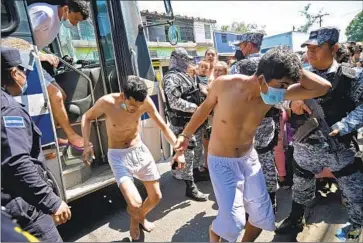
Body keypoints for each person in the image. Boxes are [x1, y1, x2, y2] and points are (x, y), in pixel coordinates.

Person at [174, 46, 332, 242]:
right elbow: (204, 109)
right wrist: (185, 135)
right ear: (261, 78)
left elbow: (323, 87)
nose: (285, 90)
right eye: (282, 84)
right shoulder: (224, 85)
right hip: (222, 161)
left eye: (287, 85)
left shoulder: (273, 94)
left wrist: (292, 66)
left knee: (262, 216)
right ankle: (215, 235)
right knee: (232, 221)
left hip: (249, 159)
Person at [276, 27, 363, 241]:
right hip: (305, 145)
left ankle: (356, 225)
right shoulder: (300, 75)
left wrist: (345, 125)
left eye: (317, 48)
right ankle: (296, 218)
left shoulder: (352, 77)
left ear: (334, 48)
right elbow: (276, 96)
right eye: (308, 48)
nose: (310, 53)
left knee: (354, 192)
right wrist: (291, 102)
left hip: (339, 147)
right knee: (301, 186)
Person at [81, 75, 185, 241]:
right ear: (123, 96)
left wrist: (178, 150)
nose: (135, 110)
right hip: (118, 156)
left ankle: (140, 216)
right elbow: (87, 117)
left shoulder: (144, 102)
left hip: (139, 151)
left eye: (138, 107)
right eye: (131, 106)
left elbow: (163, 126)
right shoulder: (107, 102)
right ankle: (135, 222)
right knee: (135, 203)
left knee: (156, 197)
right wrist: (86, 144)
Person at [1, 47, 71, 242]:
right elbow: (17, 162)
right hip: (20, 206)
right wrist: (51, 202)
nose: (25, 76)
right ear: (14, 73)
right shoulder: (9, 110)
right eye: (23, 71)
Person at [27, 0, 90, 151]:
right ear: (66, 9)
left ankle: (52, 135)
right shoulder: (44, 14)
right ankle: (71, 136)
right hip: (21, 62)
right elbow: (15, 38)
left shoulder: (57, 20)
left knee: (61, 95)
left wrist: (43, 54)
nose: (74, 25)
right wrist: (40, 55)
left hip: (32, 59)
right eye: (75, 19)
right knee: (56, 95)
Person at [236, 57, 281, 214]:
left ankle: (270, 199)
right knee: (251, 171)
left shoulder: (269, 91)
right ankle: (255, 204)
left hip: (262, 138)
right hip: (247, 140)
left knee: (265, 167)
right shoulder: (240, 91)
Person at [163, 47, 208, 201]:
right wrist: (197, 108)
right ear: (176, 59)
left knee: (195, 151)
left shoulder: (184, 75)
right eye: (184, 58)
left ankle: (193, 173)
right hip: (181, 122)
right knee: (187, 153)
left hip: (192, 120)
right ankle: (190, 187)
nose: (187, 61)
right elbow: (174, 102)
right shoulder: (171, 78)